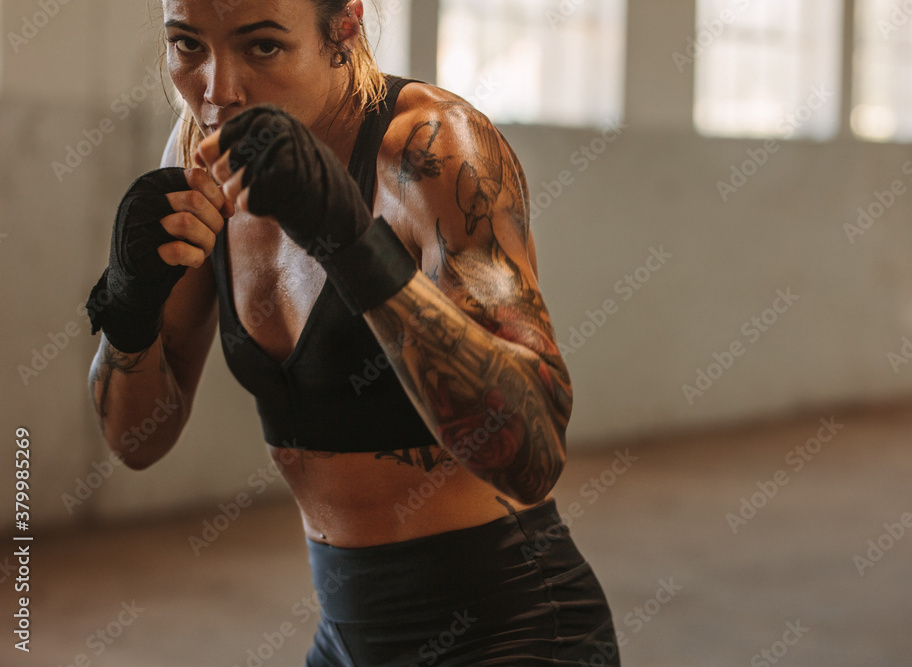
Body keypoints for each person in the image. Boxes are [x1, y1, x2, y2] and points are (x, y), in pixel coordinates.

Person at [85, 0, 622, 664]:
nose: (217, 90)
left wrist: (354, 248)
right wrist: (129, 311)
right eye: (188, 47)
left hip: (510, 626)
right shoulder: (203, 159)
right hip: (348, 635)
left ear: (344, 27)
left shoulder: (436, 148)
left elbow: (533, 455)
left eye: (262, 48)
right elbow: (136, 441)